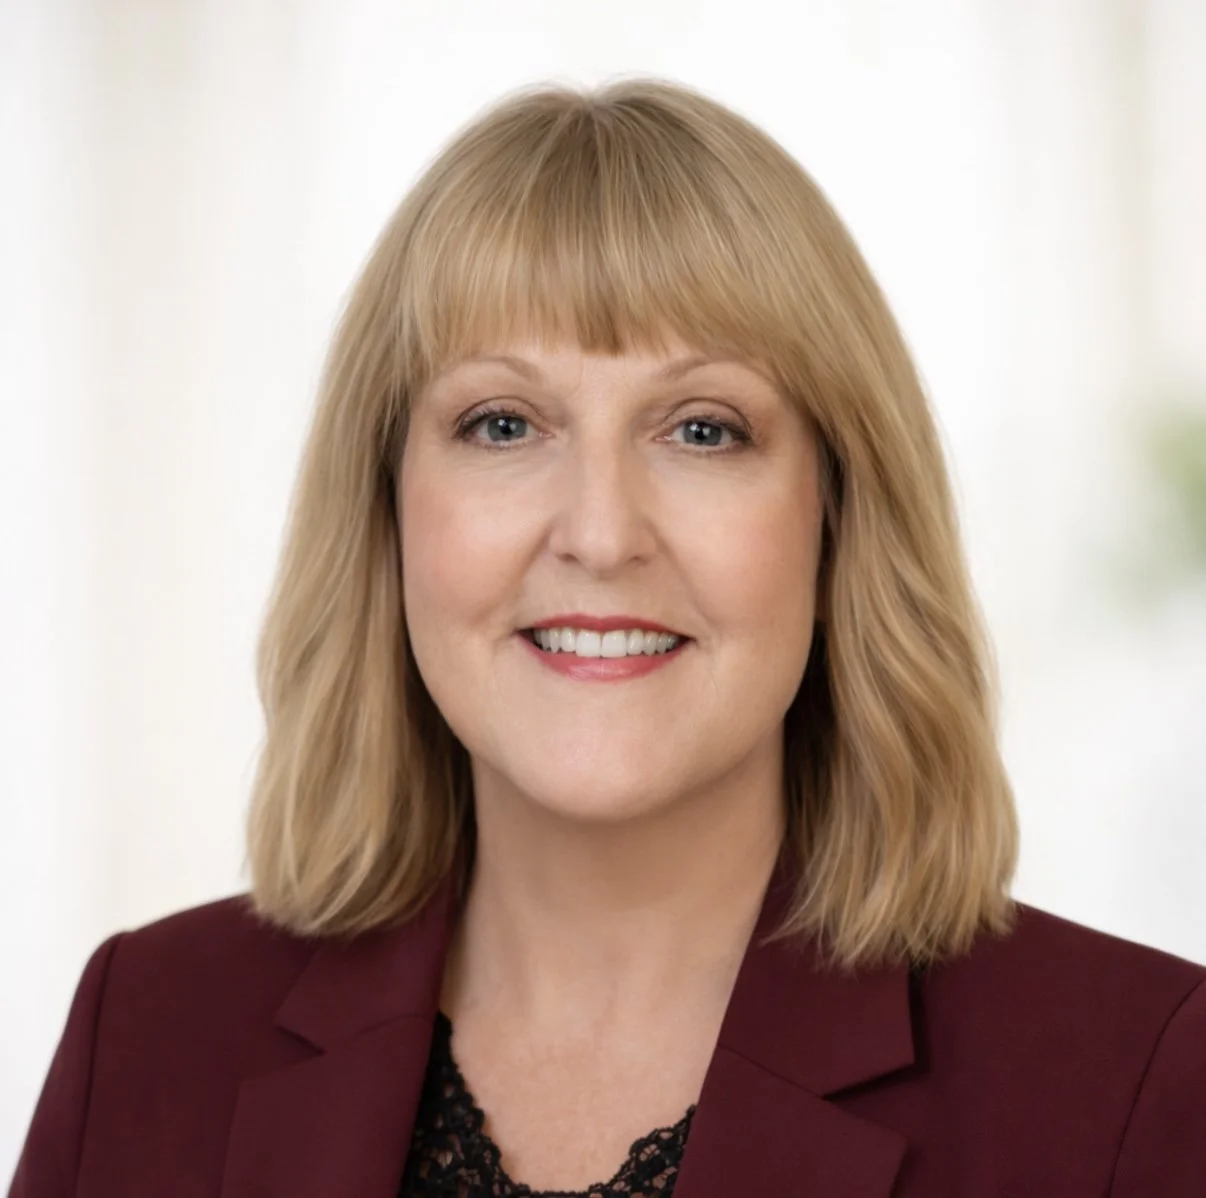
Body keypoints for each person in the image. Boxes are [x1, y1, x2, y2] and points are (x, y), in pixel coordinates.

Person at [9, 77, 1205, 1198]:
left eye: (701, 430)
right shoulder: (150, 1030)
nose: (599, 531)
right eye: (502, 422)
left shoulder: (1133, 1079)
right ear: (386, 514)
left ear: (840, 520)